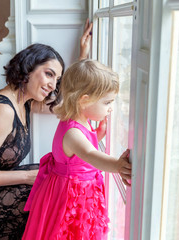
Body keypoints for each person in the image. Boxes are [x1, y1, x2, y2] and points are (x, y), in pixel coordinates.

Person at [0, 20, 93, 240]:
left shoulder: (24, 101)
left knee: (52, 171)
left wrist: (82, 57)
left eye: (57, 79)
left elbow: (63, 105)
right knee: (42, 186)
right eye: (49, 74)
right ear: (29, 68)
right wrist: (27, 176)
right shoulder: (3, 111)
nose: (53, 85)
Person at [22, 59, 132, 240]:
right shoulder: (73, 133)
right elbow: (89, 154)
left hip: (79, 190)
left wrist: (97, 135)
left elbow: (80, 153)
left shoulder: (79, 120)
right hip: (70, 196)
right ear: (84, 100)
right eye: (107, 102)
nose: (111, 108)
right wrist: (117, 166)